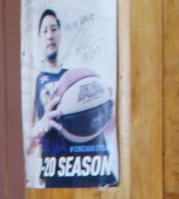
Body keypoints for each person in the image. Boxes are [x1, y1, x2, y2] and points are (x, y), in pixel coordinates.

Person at [24, 8, 118, 188]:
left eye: (53, 29)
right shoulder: (36, 81)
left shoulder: (77, 77)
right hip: (58, 172)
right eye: (45, 30)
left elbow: (108, 129)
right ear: (39, 38)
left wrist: (106, 113)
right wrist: (42, 125)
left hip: (90, 169)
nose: (50, 35)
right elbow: (28, 146)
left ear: (60, 33)